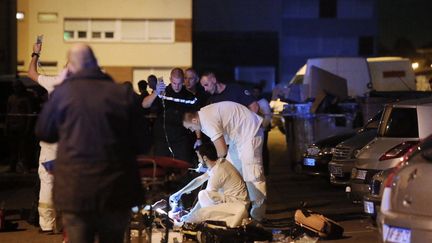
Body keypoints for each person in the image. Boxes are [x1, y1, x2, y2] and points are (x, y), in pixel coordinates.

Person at [35, 43, 145, 243]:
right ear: (96, 64)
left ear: (71, 68)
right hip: (116, 190)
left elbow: (44, 132)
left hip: (76, 192)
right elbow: (142, 143)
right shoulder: (122, 94)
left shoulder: (63, 94)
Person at [182, 101, 267, 222]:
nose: (191, 130)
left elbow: (221, 151)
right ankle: (235, 209)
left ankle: (257, 217)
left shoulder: (207, 121)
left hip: (249, 134)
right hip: (238, 138)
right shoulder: (204, 115)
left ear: (194, 120)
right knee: (227, 170)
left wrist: (210, 165)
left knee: (253, 175)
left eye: (190, 127)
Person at [28, 41, 66, 233]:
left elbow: (31, 74)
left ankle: (47, 224)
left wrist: (35, 54)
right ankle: (66, 225)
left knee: (48, 181)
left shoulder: (55, 82)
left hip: (52, 142)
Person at [169, 143, 249, 227]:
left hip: (236, 205)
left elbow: (205, 197)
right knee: (202, 202)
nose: (199, 161)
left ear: (205, 158)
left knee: (203, 195)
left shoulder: (218, 171)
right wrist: (179, 193)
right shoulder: (219, 163)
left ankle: (202, 221)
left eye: (199, 157)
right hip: (234, 202)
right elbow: (199, 180)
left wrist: (189, 217)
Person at [142, 68, 198, 163]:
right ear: (170, 80)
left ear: (183, 80)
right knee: (161, 166)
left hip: (181, 139)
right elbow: (144, 104)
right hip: (162, 138)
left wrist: (199, 138)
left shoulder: (190, 96)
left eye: (179, 84)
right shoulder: (162, 92)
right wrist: (156, 92)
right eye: (174, 83)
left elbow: (195, 119)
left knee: (183, 165)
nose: (176, 86)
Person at [5, 80, 34, 173]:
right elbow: (8, 113)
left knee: (23, 148)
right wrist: (7, 126)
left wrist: (28, 127)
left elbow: (30, 114)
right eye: (14, 87)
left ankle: (25, 167)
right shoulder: (11, 98)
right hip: (12, 126)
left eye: (17, 86)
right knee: (13, 148)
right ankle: (12, 167)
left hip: (22, 126)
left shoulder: (26, 99)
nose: (15, 89)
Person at [251, 85, 272, 175]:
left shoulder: (263, 102)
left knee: (263, 149)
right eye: (254, 91)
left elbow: (267, 116)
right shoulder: (255, 102)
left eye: (256, 91)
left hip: (263, 129)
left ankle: (265, 169)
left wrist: (264, 126)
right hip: (258, 129)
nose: (255, 93)